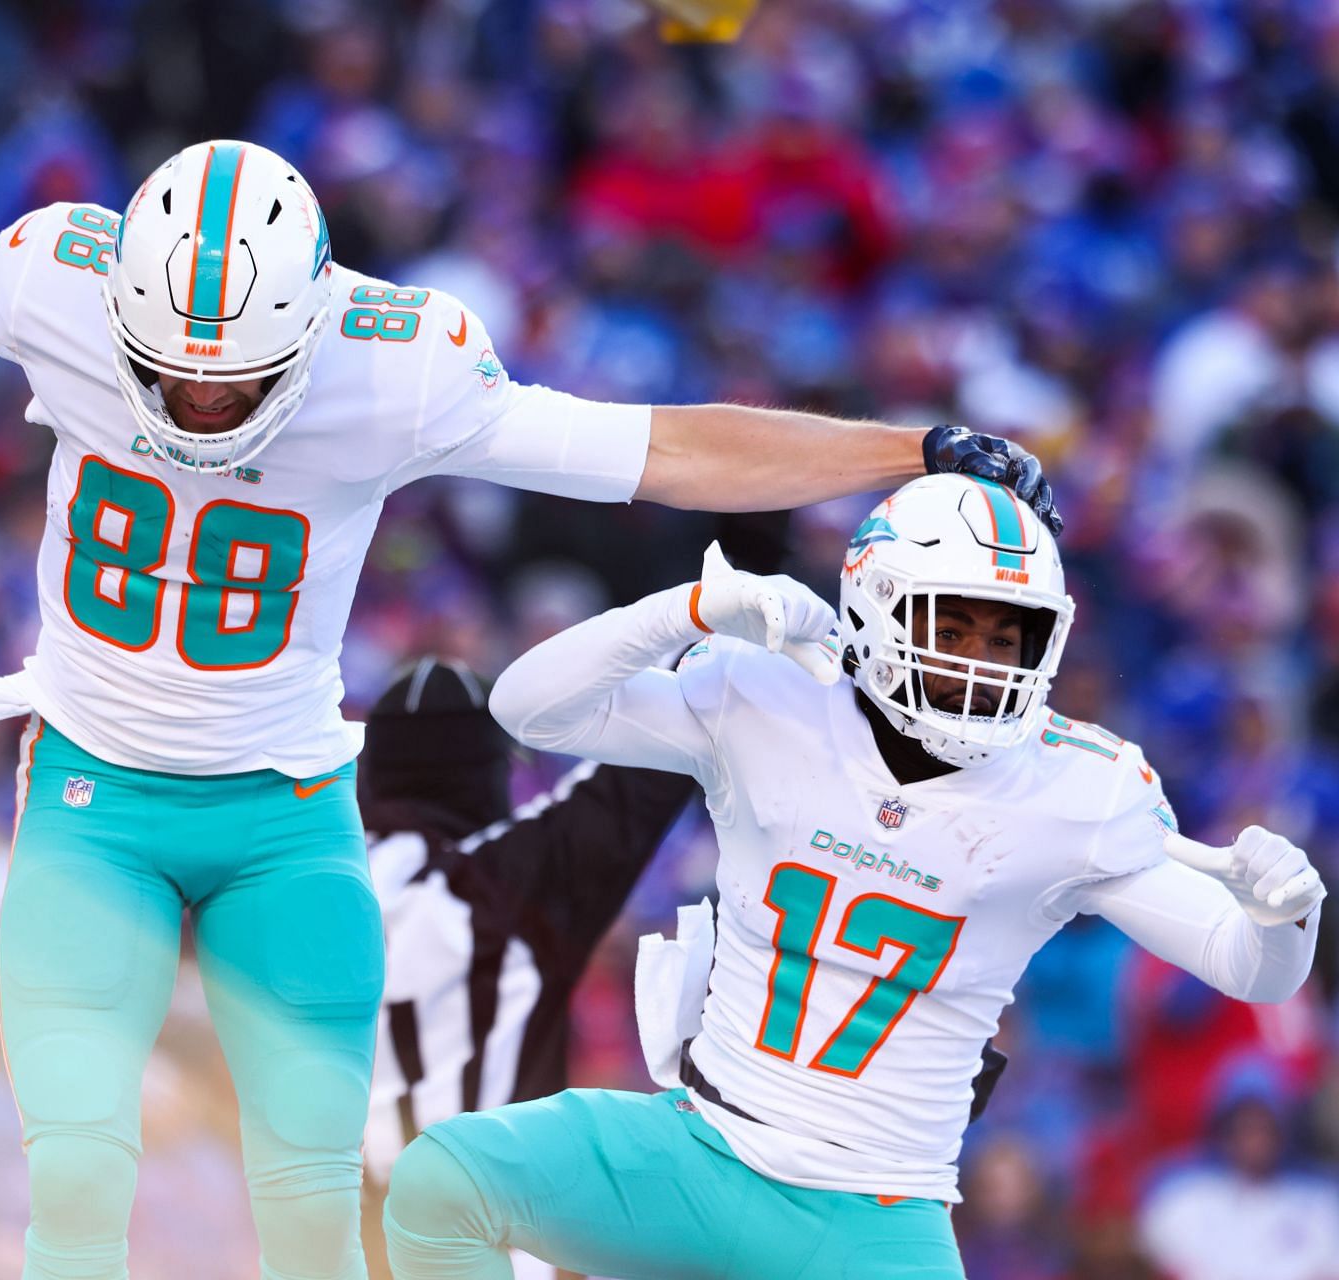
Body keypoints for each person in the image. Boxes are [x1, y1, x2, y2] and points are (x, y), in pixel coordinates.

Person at [0, 137, 1061, 1280]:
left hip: (289, 814)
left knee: (310, 1202)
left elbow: (656, 448)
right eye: (175, 375)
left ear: (301, 327)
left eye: (234, 379)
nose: (202, 402)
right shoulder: (62, 284)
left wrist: (895, 449)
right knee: (74, 1180)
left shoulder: (392, 364)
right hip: (90, 797)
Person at [382, 474, 1326, 1280]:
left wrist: (1286, 916)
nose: (982, 663)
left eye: (1008, 638)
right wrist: (688, 610)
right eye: (951, 626)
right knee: (442, 1184)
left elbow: (1250, 969)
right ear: (876, 604)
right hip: (701, 1146)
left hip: (875, 1217)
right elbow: (529, 706)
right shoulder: (773, 701)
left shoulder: (1074, 791)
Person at [356, 657, 699, 1280]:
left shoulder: (304, 888)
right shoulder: (506, 886)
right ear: (488, 773)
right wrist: (714, 628)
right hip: (497, 1244)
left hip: (334, 1246)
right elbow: (644, 775)